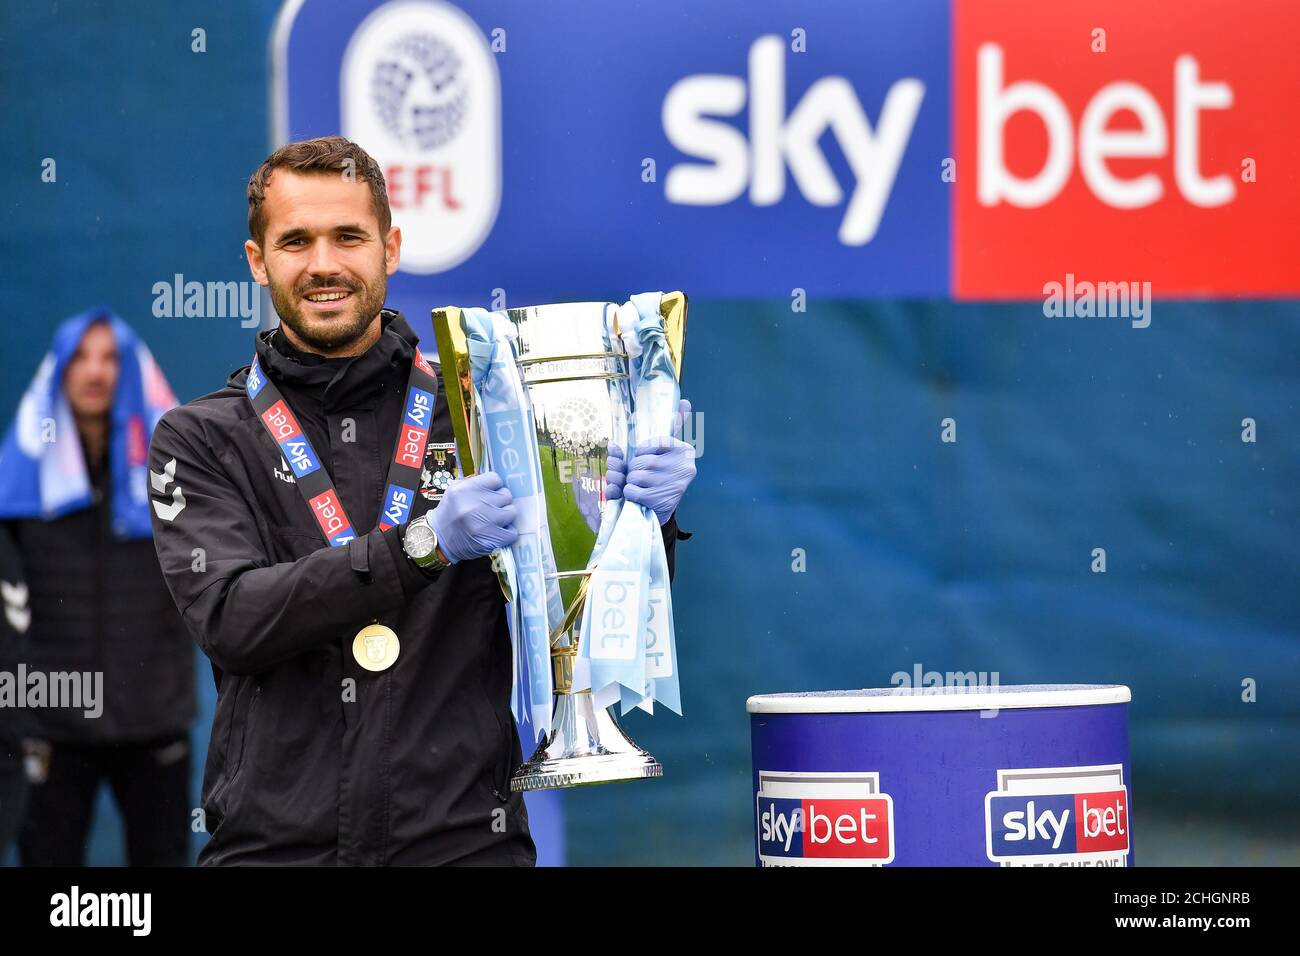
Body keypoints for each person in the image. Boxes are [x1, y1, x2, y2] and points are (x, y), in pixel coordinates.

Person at [147, 136, 696, 866]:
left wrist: (642, 526)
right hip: (275, 848)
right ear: (258, 261)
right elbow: (231, 618)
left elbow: (581, 625)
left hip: (466, 843)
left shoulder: (482, 410)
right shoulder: (202, 436)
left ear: (391, 247)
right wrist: (420, 547)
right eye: (295, 242)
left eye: (349, 237)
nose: (323, 265)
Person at [0, 311, 195, 866]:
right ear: (58, 372)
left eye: (110, 358)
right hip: (50, 725)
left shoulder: (175, 477)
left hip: (154, 719)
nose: (95, 372)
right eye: (80, 357)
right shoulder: (19, 482)